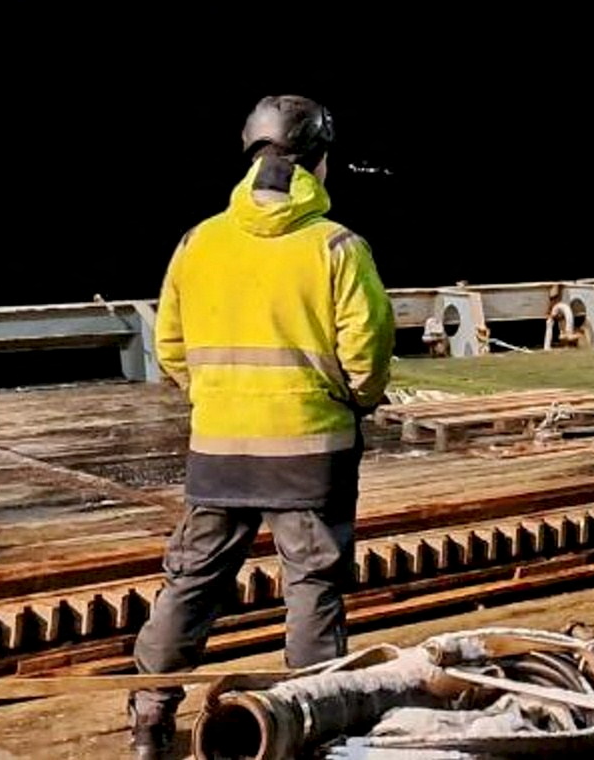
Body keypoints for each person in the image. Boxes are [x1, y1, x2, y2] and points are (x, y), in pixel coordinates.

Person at [127, 96, 395, 760]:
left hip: (220, 448)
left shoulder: (199, 241)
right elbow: (368, 355)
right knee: (312, 590)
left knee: (191, 582)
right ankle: (310, 724)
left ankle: (150, 720)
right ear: (317, 164)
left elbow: (171, 345)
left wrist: (217, 397)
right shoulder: (337, 247)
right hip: (310, 451)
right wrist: (347, 401)